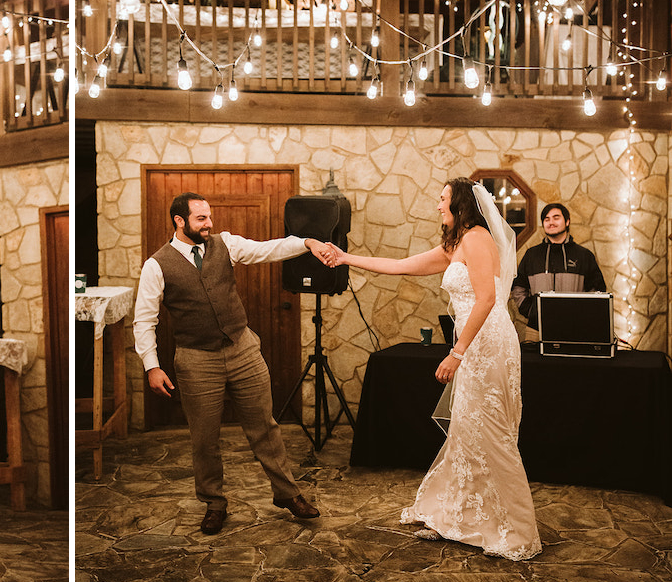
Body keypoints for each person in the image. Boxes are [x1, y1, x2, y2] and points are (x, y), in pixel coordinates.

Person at [327, 177, 541, 560]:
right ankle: (456, 516)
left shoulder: (476, 238)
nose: (437, 206)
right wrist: (345, 258)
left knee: (489, 430)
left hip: (487, 344)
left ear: (459, 204)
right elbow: (400, 266)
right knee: (466, 428)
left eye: (442, 199)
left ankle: (515, 529)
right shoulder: (455, 244)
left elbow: (488, 298)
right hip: (474, 342)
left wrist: (457, 352)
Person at [133, 191, 334, 536]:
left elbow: (268, 249)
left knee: (265, 427)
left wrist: (307, 243)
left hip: (242, 349)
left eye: (209, 217)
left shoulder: (225, 244)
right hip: (196, 360)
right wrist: (152, 366)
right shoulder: (157, 265)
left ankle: (288, 494)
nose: (209, 224)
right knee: (204, 439)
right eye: (201, 219)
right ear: (179, 221)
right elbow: (144, 320)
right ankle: (214, 503)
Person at [511, 201, 608, 342]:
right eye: (546, 219)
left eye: (556, 218)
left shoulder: (584, 255)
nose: (551, 222)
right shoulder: (532, 255)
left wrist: (582, 315)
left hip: (576, 329)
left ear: (567, 221)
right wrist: (532, 311)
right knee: (535, 364)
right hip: (536, 329)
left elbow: (597, 290)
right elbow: (518, 287)